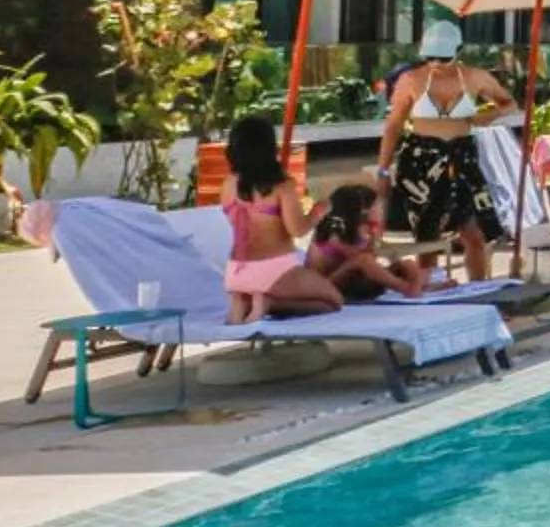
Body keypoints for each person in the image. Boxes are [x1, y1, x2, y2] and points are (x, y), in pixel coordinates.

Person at [373, 20, 518, 284]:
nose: (437, 62)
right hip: (422, 157)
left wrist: (488, 116)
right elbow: (393, 124)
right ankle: (428, 289)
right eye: (431, 57)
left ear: (458, 51)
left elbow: (509, 103)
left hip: (461, 155)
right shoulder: (412, 79)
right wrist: (383, 168)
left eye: (444, 57)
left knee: (475, 232)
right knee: (428, 233)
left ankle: (479, 290)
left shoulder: (475, 77)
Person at [218, 116, 343, 323]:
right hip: (275, 270)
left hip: (236, 271)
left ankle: (245, 302)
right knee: (333, 301)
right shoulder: (281, 185)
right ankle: (269, 303)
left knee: (322, 296)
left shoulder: (229, 183)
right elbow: (298, 230)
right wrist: (319, 210)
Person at [307, 183, 430, 300]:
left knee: (407, 264)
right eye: (368, 223)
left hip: (352, 281)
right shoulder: (332, 236)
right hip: (324, 285)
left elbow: (373, 261)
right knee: (363, 260)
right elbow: (360, 259)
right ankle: (406, 288)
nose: (372, 230)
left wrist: (396, 264)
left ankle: (421, 287)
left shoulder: (361, 234)